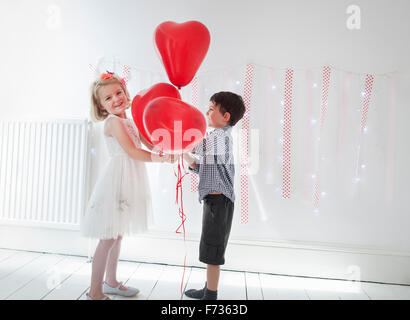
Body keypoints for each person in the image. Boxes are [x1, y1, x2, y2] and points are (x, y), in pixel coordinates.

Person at [81, 72, 172, 300]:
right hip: (118, 179)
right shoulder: (112, 122)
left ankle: (111, 281)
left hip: (131, 177)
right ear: (101, 106)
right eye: (108, 98)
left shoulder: (130, 120)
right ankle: (95, 290)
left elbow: (147, 142)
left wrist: (165, 148)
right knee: (108, 237)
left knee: (118, 234)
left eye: (118, 93)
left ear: (126, 92)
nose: (116, 99)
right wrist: (157, 159)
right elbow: (132, 151)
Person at [183, 91, 245, 300]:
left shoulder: (221, 137)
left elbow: (197, 145)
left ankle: (211, 295)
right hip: (214, 201)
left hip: (220, 202)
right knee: (210, 245)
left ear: (225, 117)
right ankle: (208, 288)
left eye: (211, 109)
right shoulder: (215, 138)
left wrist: (181, 139)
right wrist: (186, 155)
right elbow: (202, 166)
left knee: (213, 249)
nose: (206, 112)